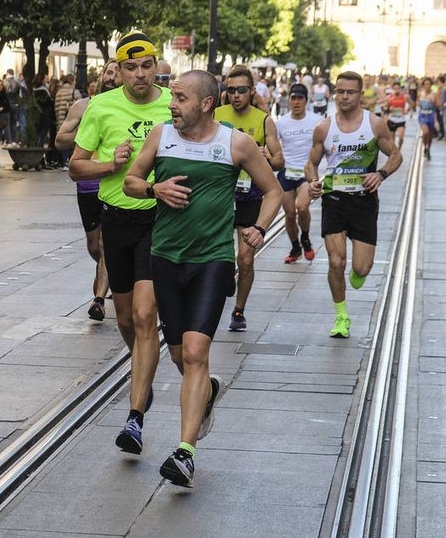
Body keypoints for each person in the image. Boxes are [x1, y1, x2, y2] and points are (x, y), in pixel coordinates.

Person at [125, 69, 282, 487]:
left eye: (180, 98)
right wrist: (153, 191)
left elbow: (273, 190)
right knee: (178, 355)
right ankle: (208, 392)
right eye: (172, 98)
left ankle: (185, 453)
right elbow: (131, 181)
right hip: (165, 259)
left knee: (195, 351)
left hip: (212, 260)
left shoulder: (235, 143)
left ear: (205, 103)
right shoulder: (161, 136)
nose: (172, 105)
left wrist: (260, 229)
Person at [70, 30, 169, 455]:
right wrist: (113, 163)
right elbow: (75, 166)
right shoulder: (101, 106)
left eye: (147, 66)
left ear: (156, 66)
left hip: (161, 219)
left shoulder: (173, 102)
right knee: (127, 320)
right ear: (119, 70)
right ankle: (142, 369)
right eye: (131, 67)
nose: (140, 75)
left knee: (146, 316)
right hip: (117, 219)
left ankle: (135, 417)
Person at [305, 71, 403, 339]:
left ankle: (357, 275)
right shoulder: (324, 128)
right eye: (340, 91)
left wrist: (380, 174)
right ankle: (341, 316)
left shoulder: (374, 125)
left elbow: (396, 155)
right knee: (336, 262)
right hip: (334, 199)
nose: (344, 96)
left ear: (361, 95)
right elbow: (311, 163)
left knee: (361, 268)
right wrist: (313, 181)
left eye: (350, 92)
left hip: (364, 201)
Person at [214, 65, 283, 332]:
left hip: (250, 195)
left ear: (252, 91)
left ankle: (239, 310)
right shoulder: (216, 115)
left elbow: (279, 161)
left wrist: (266, 157)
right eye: (230, 90)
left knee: (246, 258)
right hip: (220, 193)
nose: (236, 95)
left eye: (241, 90)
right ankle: (226, 272)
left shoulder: (264, 120)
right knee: (221, 256)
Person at [56, 73, 112, 321]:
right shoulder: (83, 106)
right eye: (108, 72)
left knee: (105, 245)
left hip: (115, 182)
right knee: (94, 247)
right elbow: (60, 140)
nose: (112, 77)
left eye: (116, 72)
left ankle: (99, 299)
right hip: (88, 184)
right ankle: (106, 271)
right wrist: (89, 131)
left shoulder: (128, 109)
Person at [277, 84, 323, 263]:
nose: (296, 102)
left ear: (306, 100)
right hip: (286, 172)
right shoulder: (281, 122)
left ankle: (305, 237)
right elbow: (273, 146)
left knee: (302, 207)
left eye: (300, 98)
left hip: (306, 172)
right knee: (289, 214)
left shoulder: (316, 120)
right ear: (288, 100)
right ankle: (295, 247)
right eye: (293, 98)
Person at [416, 80, 440, 159]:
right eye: (426, 84)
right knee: (425, 132)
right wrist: (418, 103)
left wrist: (433, 102)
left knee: (430, 135)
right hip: (423, 115)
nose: (427, 85)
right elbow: (418, 103)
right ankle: (424, 147)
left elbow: (437, 104)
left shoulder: (434, 94)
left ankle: (428, 148)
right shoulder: (420, 93)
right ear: (423, 85)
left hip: (431, 115)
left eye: (429, 84)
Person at [384, 82, 408, 151]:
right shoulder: (389, 97)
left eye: (398, 88)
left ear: (400, 89)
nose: (397, 90)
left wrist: (407, 110)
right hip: (392, 120)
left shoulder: (404, 97)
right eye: (395, 89)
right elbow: (384, 108)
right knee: (392, 140)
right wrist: (388, 109)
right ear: (393, 89)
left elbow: (411, 105)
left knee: (401, 137)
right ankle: (394, 152)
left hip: (401, 120)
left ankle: (399, 150)